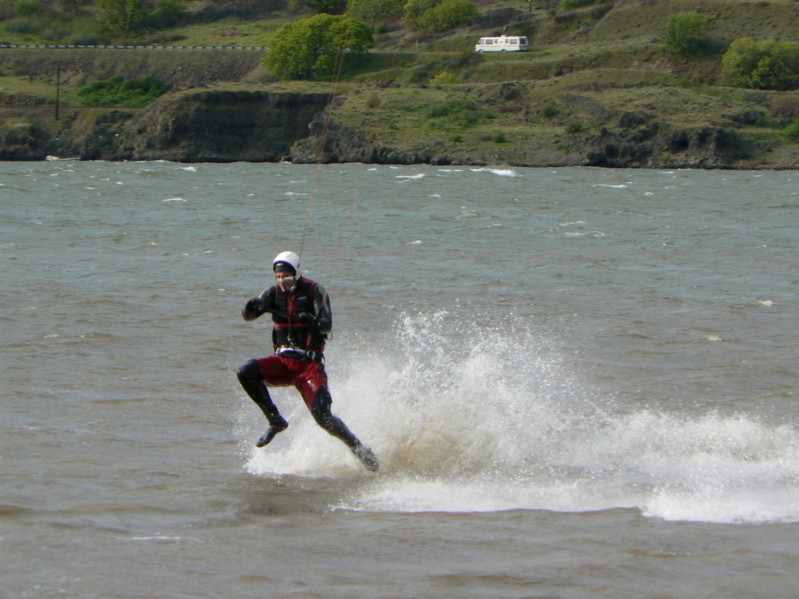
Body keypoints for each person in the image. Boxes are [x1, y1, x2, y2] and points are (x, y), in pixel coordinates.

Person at [237, 251, 379, 472]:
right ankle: (275, 420)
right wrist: (249, 309)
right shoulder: (271, 294)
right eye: (278, 277)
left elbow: (326, 325)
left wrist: (311, 320)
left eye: (286, 276)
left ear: (296, 273)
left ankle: (360, 450)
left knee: (324, 417)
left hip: (309, 366)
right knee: (246, 371)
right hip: (283, 362)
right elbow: (249, 316)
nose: (282, 281)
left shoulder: (315, 291)